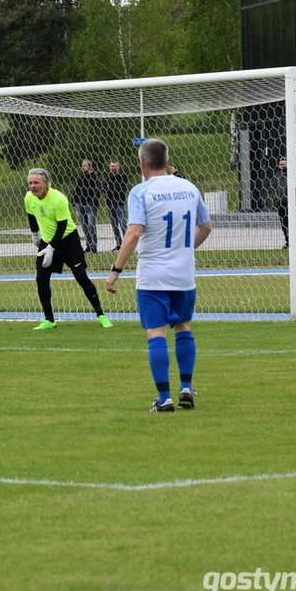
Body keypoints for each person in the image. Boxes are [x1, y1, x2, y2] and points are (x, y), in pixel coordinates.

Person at [104, 138, 213, 413]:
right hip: (184, 274)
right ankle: (186, 387)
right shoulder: (189, 187)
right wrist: (185, 248)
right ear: (167, 160)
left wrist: (116, 270)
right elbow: (206, 227)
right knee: (184, 327)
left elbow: (133, 233)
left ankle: (164, 398)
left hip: (153, 276)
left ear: (142, 163)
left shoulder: (141, 192)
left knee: (156, 333)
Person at [24, 168, 112, 331]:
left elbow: (63, 225)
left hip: (68, 241)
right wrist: (35, 235)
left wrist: (51, 247)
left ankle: (101, 315)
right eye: (30, 183)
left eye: (36, 182)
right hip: (47, 241)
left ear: (46, 183)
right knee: (41, 279)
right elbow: (31, 216)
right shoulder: (29, 198)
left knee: (81, 278)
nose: (33, 186)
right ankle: (49, 320)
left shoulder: (58, 199)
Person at [73, 160, 102, 254]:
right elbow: (76, 190)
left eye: (85, 165)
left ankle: (94, 248)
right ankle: (88, 246)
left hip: (91, 205)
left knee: (91, 226)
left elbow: (98, 189)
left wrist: (92, 201)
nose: (83, 167)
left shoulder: (95, 177)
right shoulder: (81, 178)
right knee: (84, 227)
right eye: (82, 165)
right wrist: (75, 203)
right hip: (81, 204)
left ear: (90, 166)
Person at [104, 160, 129, 250]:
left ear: (118, 167)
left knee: (123, 224)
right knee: (114, 225)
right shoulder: (108, 178)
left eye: (114, 166)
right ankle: (119, 244)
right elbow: (104, 188)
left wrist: (110, 187)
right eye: (111, 166)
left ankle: (127, 244)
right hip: (110, 203)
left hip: (120, 203)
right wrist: (113, 187)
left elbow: (122, 188)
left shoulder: (123, 177)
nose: (113, 168)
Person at [270, 158, 290, 248]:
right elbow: (272, 189)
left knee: (293, 222)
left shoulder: (290, 175)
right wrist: (276, 199)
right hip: (280, 204)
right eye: (281, 164)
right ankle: (288, 240)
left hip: (290, 204)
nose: (283, 166)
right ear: (279, 166)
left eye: (284, 164)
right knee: (283, 223)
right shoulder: (276, 177)